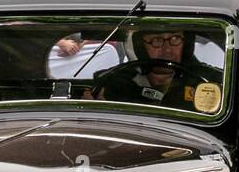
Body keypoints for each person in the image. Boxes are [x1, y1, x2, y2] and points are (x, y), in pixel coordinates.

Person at [88, 26, 223, 110]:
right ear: (141, 46)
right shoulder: (114, 82)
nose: (167, 50)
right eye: (157, 40)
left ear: (186, 43)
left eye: (175, 38)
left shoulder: (210, 81)